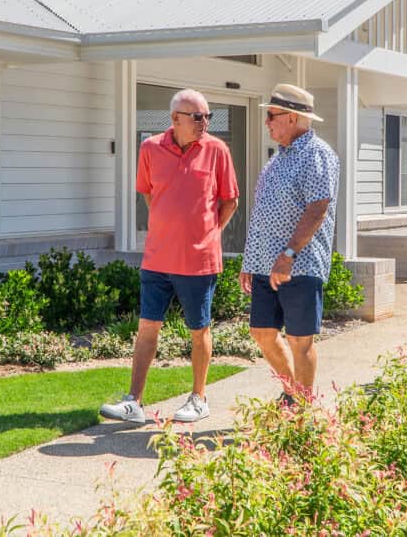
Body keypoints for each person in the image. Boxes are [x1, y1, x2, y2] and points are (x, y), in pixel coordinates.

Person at [100, 88, 239, 424]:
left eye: (208, 116)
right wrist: (170, 228)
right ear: (176, 119)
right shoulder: (150, 149)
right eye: (198, 117)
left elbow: (229, 201)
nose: (205, 123)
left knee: (199, 328)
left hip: (199, 261)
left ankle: (199, 398)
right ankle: (134, 402)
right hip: (157, 259)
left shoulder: (217, 150)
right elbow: (149, 195)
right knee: (147, 328)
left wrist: (206, 235)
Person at [239, 83, 339, 402]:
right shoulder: (278, 159)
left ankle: (302, 411)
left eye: (271, 115)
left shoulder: (317, 154)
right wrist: (249, 262)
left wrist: (289, 254)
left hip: (300, 263)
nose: (267, 122)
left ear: (292, 118)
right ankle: (293, 393)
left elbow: (317, 209)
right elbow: (262, 213)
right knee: (262, 333)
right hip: (265, 264)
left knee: (300, 339)